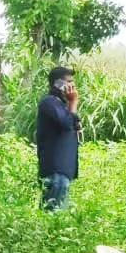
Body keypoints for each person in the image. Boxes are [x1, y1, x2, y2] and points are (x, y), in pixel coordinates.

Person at [37, 66, 81, 210]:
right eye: (69, 82)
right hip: (55, 174)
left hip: (63, 174)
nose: (73, 87)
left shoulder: (61, 106)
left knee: (59, 222)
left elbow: (71, 123)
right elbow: (67, 123)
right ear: (58, 84)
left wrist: (70, 105)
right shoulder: (49, 102)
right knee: (51, 218)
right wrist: (73, 102)